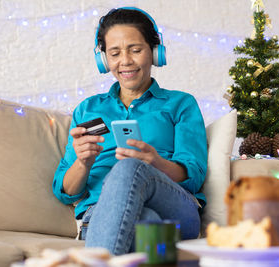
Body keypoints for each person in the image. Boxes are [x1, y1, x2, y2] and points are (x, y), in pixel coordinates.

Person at [52, 7, 207, 255]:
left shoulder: (180, 104)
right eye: (114, 53)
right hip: (102, 213)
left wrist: (155, 163)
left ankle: (96, 259)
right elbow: (66, 192)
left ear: (155, 52)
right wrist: (83, 163)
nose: (125, 61)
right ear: (104, 60)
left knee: (130, 166)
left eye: (135, 50)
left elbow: (195, 172)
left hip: (177, 208)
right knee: (147, 221)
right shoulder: (88, 109)